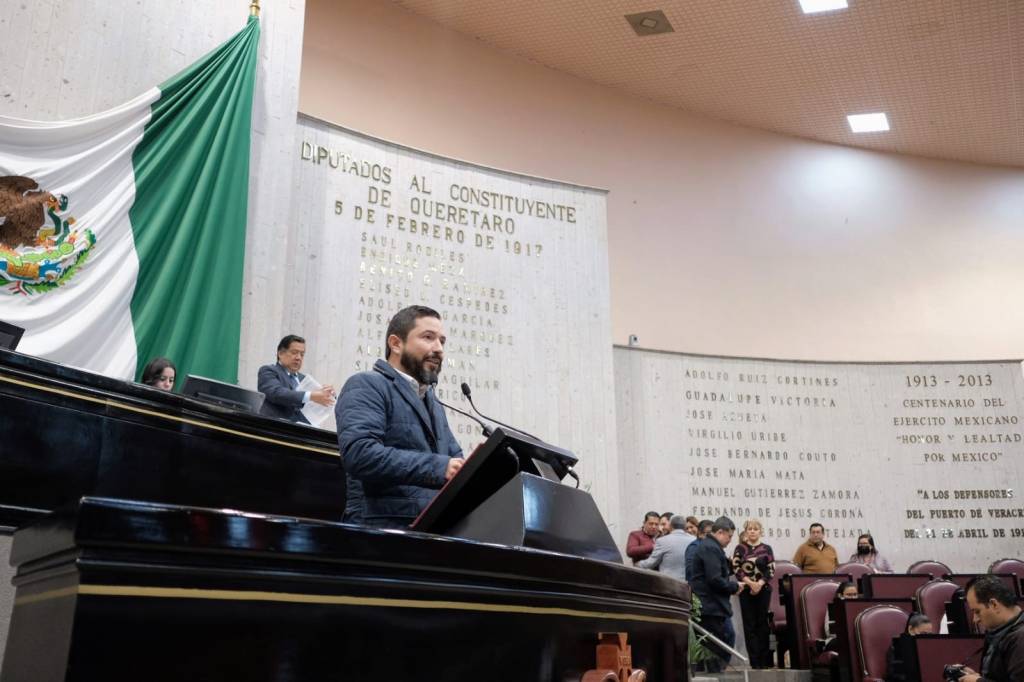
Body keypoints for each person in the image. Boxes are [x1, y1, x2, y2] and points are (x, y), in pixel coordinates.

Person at [336, 306, 464, 528]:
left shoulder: (433, 401)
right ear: (396, 344)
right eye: (428, 337)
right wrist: (440, 468)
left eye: (442, 341)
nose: (439, 348)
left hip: (432, 528)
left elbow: (455, 459)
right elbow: (360, 453)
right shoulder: (366, 384)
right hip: (381, 531)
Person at [690, 516, 744, 672]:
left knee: (714, 645)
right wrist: (734, 586)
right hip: (710, 606)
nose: (730, 540)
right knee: (716, 647)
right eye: (729, 536)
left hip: (710, 605)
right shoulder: (711, 548)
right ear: (720, 532)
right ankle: (716, 674)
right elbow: (714, 579)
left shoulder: (710, 546)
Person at [954, 576, 1024, 682]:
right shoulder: (1000, 631)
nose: (975, 620)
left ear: (994, 604)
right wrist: (977, 677)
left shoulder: (1020, 638)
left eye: (977, 611)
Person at [258, 334, 335, 424]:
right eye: (294, 353)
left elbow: (317, 398)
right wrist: (311, 396)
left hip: (301, 429)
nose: (299, 358)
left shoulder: (304, 379)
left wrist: (329, 395)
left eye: (302, 354)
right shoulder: (268, 371)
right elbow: (276, 393)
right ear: (280, 353)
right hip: (274, 427)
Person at [732, 519, 775, 668]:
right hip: (746, 590)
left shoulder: (767, 548)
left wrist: (759, 584)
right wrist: (751, 584)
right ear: (746, 531)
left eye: (755, 529)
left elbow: (771, 569)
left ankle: (764, 661)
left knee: (762, 623)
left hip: (763, 589)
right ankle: (755, 662)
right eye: (749, 529)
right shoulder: (740, 548)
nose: (752, 531)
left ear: (760, 531)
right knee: (749, 624)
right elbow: (736, 568)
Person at [637, 514, 694, 580]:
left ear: (670, 526)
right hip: (689, 582)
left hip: (668, 582)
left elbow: (651, 563)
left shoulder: (662, 541)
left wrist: (638, 564)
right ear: (685, 526)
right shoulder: (693, 540)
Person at [886, 613, 933, 682]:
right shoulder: (897, 647)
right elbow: (897, 675)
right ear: (910, 629)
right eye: (923, 633)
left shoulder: (930, 646)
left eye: (929, 634)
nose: (926, 637)